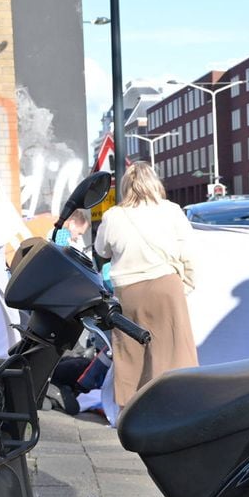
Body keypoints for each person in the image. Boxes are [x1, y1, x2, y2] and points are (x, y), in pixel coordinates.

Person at [93, 161, 198, 406]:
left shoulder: (114, 216)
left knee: (131, 353)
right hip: (167, 287)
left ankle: (133, 408)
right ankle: (178, 404)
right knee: (173, 351)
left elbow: (102, 250)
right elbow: (189, 252)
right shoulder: (171, 211)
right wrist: (188, 284)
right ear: (155, 182)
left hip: (129, 291)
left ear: (125, 186)